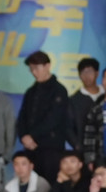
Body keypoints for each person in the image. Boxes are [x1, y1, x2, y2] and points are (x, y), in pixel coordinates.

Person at [15, 51, 73, 179]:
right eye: (31, 69)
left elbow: (53, 118)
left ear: (47, 66)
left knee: (49, 185)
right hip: (31, 148)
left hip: (51, 148)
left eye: (36, 68)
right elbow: (22, 116)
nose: (34, 72)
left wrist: (32, 136)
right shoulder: (31, 91)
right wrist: (23, 136)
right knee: (31, 184)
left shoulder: (59, 90)